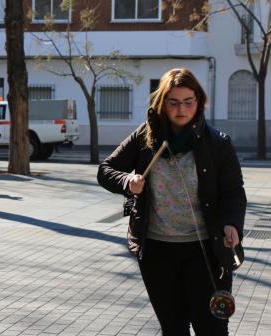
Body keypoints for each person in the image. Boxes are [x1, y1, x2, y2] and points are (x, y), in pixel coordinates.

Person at [97, 68, 247, 335]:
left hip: (206, 250)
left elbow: (234, 192)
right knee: (173, 328)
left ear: (199, 101)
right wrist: (127, 182)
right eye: (173, 102)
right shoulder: (145, 138)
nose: (181, 109)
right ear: (162, 102)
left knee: (211, 328)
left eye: (188, 101)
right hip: (157, 251)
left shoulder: (217, 143)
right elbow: (106, 170)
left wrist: (232, 224)